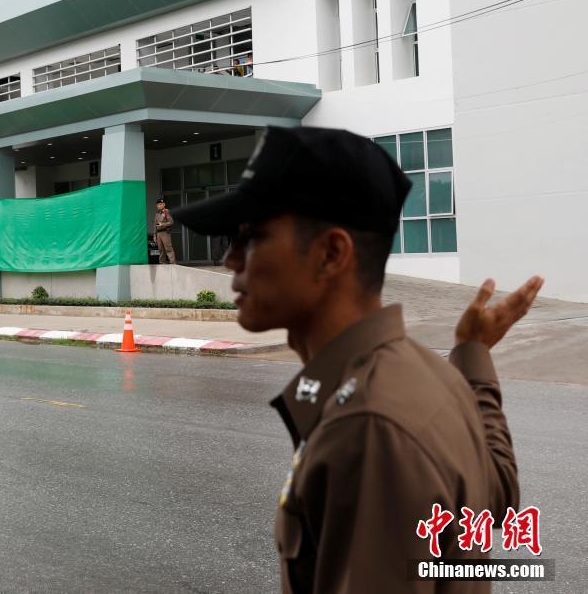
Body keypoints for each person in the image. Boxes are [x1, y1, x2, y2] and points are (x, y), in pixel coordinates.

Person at [172, 126, 542, 593]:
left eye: (250, 236)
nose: (230, 260)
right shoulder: (430, 373)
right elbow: (497, 496)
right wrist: (473, 352)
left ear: (330, 254)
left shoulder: (368, 426)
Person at [154, 197, 176, 264]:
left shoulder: (167, 212)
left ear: (164, 204)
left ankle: (172, 263)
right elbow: (154, 225)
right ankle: (162, 263)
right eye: (158, 204)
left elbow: (171, 222)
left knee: (168, 248)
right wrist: (155, 235)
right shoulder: (157, 213)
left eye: (161, 204)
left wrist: (163, 224)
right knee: (160, 249)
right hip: (159, 233)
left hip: (165, 232)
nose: (159, 205)